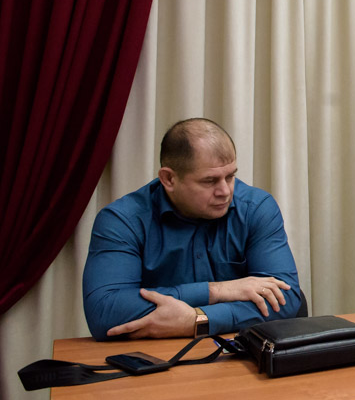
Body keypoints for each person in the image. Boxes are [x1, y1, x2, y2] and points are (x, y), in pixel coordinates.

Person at [83, 118, 302, 341]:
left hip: (237, 354)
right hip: (153, 355)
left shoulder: (256, 208)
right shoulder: (122, 220)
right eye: (210, 181)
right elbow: (104, 311)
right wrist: (217, 291)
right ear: (169, 179)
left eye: (230, 176)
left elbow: (286, 299)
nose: (225, 191)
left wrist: (198, 320)